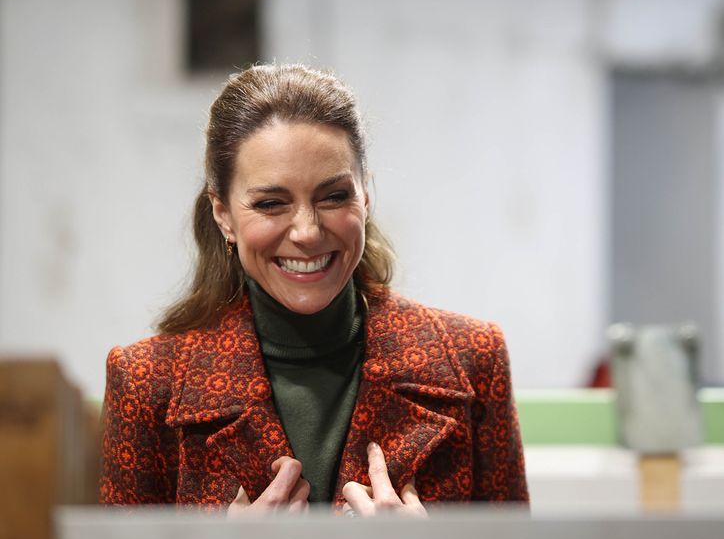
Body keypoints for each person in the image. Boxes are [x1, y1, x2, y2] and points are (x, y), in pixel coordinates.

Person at [100, 63, 528, 515]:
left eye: (333, 197)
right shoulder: (147, 383)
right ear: (223, 214)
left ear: (366, 196)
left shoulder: (475, 360)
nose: (306, 232)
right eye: (270, 204)